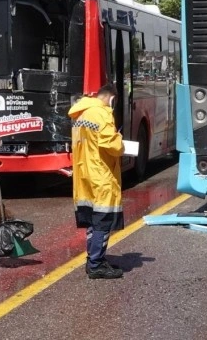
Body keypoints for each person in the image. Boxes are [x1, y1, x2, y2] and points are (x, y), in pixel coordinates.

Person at [68, 84, 125, 279]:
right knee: (103, 220)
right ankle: (96, 264)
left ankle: (93, 257)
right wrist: (121, 142)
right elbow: (110, 143)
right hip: (100, 174)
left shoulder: (80, 114)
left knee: (92, 220)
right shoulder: (102, 114)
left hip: (84, 175)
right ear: (111, 99)